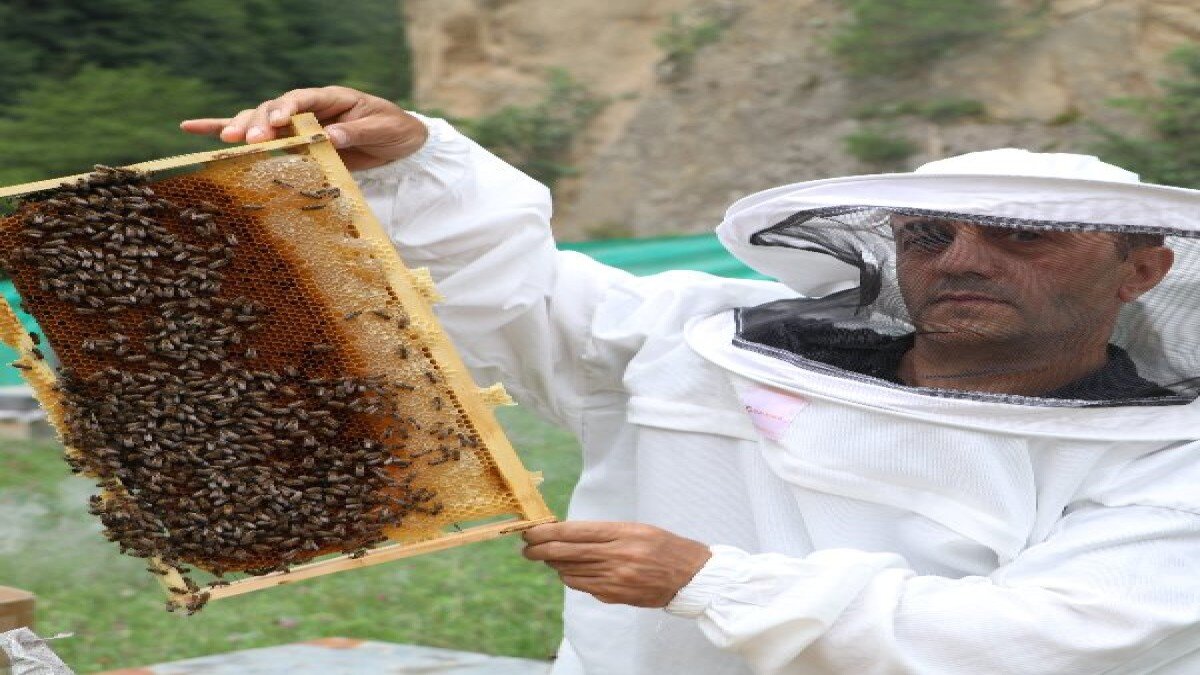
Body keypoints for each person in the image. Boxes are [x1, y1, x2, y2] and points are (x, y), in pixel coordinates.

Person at [184, 87, 1200, 674]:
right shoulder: (702, 340)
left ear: (1142, 268)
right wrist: (415, 162)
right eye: (929, 234)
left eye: (1024, 235)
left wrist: (709, 581)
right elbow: (517, 296)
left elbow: (1056, 637)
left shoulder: (1168, 462)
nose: (963, 259)